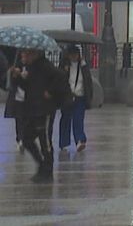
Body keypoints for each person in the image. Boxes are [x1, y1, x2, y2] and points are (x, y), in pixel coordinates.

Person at [12, 47, 70, 182]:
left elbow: (60, 76)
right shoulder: (31, 68)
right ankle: (41, 165)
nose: (23, 55)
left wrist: (50, 91)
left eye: (26, 52)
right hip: (32, 110)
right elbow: (27, 86)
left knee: (45, 142)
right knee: (26, 138)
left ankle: (47, 171)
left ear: (34, 53)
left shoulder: (45, 66)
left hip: (45, 110)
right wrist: (17, 78)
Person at [57, 46, 93, 152]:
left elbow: (88, 81)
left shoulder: (83, 66)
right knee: (65, 119)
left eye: (76, 54)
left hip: (80, 97)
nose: (74, 57)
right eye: (71, 54)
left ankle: (80, 140)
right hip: (67, 97)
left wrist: (89, 97)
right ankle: (63, 142)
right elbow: (60, 79)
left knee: (78, 119)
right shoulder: (64, 66)